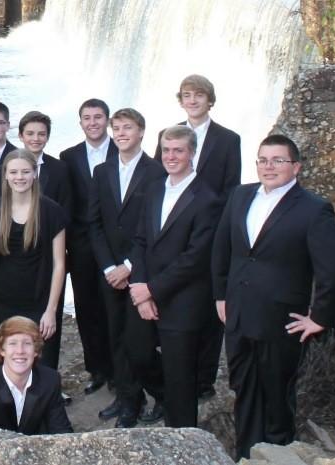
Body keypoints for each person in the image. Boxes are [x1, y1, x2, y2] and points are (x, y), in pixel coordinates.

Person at [212, 134, 335, 460]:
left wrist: (320, 318)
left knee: (276, 395)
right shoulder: (240, 196)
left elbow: (334, 268)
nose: (268, 166)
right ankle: (245, 454)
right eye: (262, 159)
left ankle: (278, 455)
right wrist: (220, 295)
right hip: (238, 315)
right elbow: (221, 249)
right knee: (243, 390)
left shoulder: (315, 209)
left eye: (277, 160)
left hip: (282, 321)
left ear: (296, 166)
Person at [154, 74, 241, 400]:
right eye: (187, 95)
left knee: (208, 305)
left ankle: (203, 380)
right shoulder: (167, 135)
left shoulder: (228, 140)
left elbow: (231, 187)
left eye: (199, 95)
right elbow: (157, 181)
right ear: (181, 100)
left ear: (210, 100)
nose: (193, 100)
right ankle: (176, 377)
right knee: (176, 303)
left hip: (213, 232)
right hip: (174, 231)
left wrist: (221, 232)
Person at [128, 126, 221, 428]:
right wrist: (140, 286)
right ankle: (165, 399)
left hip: (184, 301)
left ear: (192, 152)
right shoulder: (154, 189)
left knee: (180, 376)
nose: (171, 156)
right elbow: (140, 240)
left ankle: (182, 441)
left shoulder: (208, 199)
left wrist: (151, 290)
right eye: (166, 150)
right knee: (139, 355)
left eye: (178, 150)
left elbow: (195, 258)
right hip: (147, 293)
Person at [86, 108, 166, 428]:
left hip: (140, 271)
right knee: (115, 336)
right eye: (116, 128)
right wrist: (108, 266)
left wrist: (128, 266)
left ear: (142, 131)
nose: (120, 133)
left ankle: (161, 392)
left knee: (139, 342)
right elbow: (95, 223)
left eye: (127, 128)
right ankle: (128, 399)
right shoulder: (101, 171)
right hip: (109, 273)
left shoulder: (156, 172)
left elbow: (153, 227)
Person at [0, 150, 67, 370]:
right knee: (9, 364)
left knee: (42, 364)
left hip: (40, 300)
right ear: (6, 175)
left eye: (26, 171)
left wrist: (51, 310)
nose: (20, 177)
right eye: (14, 172)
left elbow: (59, 264)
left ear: (35, 174)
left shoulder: (52, 212)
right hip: (4, 300)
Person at [59, 98, 118, 395]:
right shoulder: (68, 156)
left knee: (114, 307)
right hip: (81, 243)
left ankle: (119, 371)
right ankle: (96, 369)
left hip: (114, 243)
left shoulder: (122, 150)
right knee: (86, 307)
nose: (93, 122)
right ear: (80, 122)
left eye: (98, 117)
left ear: (107, 120)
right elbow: (67, 202)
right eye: (87, 118)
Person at [16, 111, 72, 374]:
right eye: (30, 133)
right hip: (15, 256)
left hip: (50, 255)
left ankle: (48, 380)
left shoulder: (59, 168)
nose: (36, 139)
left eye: (41, 134)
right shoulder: (10, 165)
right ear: (20, 136)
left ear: (48, 137)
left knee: (49, 322)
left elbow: (66, 209)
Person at [0, 316, 72, 434]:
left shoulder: (50, 380)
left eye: (27, 343)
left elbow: (62, 431)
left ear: (36, 350)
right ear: (1, 350)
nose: (20, 351)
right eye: (12, 343)